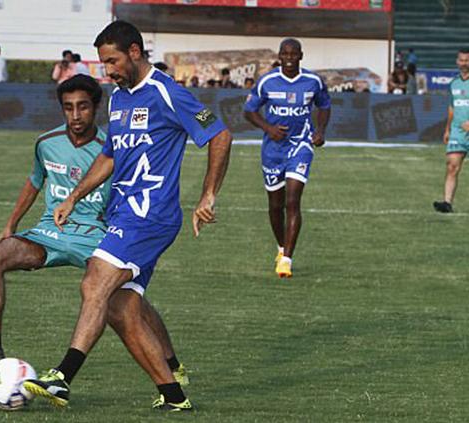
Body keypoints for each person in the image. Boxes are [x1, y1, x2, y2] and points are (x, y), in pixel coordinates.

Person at [23, 21, 233, 412]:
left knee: (94, 283)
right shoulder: (119, 98)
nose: (109, 71)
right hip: (123, 214)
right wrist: (74, 195)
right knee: (121, 308)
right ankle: (174, 396)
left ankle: (62, 377)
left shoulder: (168, 93)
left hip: (149, 215)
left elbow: (219, 133)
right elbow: (110, 155)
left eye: (113, 61)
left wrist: (208, 195)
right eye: (104, 64)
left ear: (135, 52)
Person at [0, 75, 189, 388]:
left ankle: (172, 365)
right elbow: (35, 181)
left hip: (98, 236)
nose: (75, 115)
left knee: (130, 304)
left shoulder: (112, 148)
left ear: (97, 108)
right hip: (51, 232)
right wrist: (11, 225)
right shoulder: (46, 143)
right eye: (68, 108)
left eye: (83, 107)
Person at [243, 38, 331, 278]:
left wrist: (320, 131)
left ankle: (287, 260)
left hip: (301, 146)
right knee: (275, 206)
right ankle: (281, 248)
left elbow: (324, 106)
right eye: (285, 54)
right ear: (279, 56)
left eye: (294, 54)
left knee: (293, 201)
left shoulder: (313, 81)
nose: (290, 58)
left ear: (301, 56)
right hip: (273, 149)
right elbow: (249, 111)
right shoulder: (267, 81)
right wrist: (268, 128)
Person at [433, 49, 469, 213]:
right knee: (452, 166)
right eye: (461, 60)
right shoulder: (454, 83)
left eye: (467, 60)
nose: (464, 63)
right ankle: (447, 203)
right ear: (457, 61)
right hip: (457, 131)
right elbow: (452, 108)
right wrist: (447, 129)